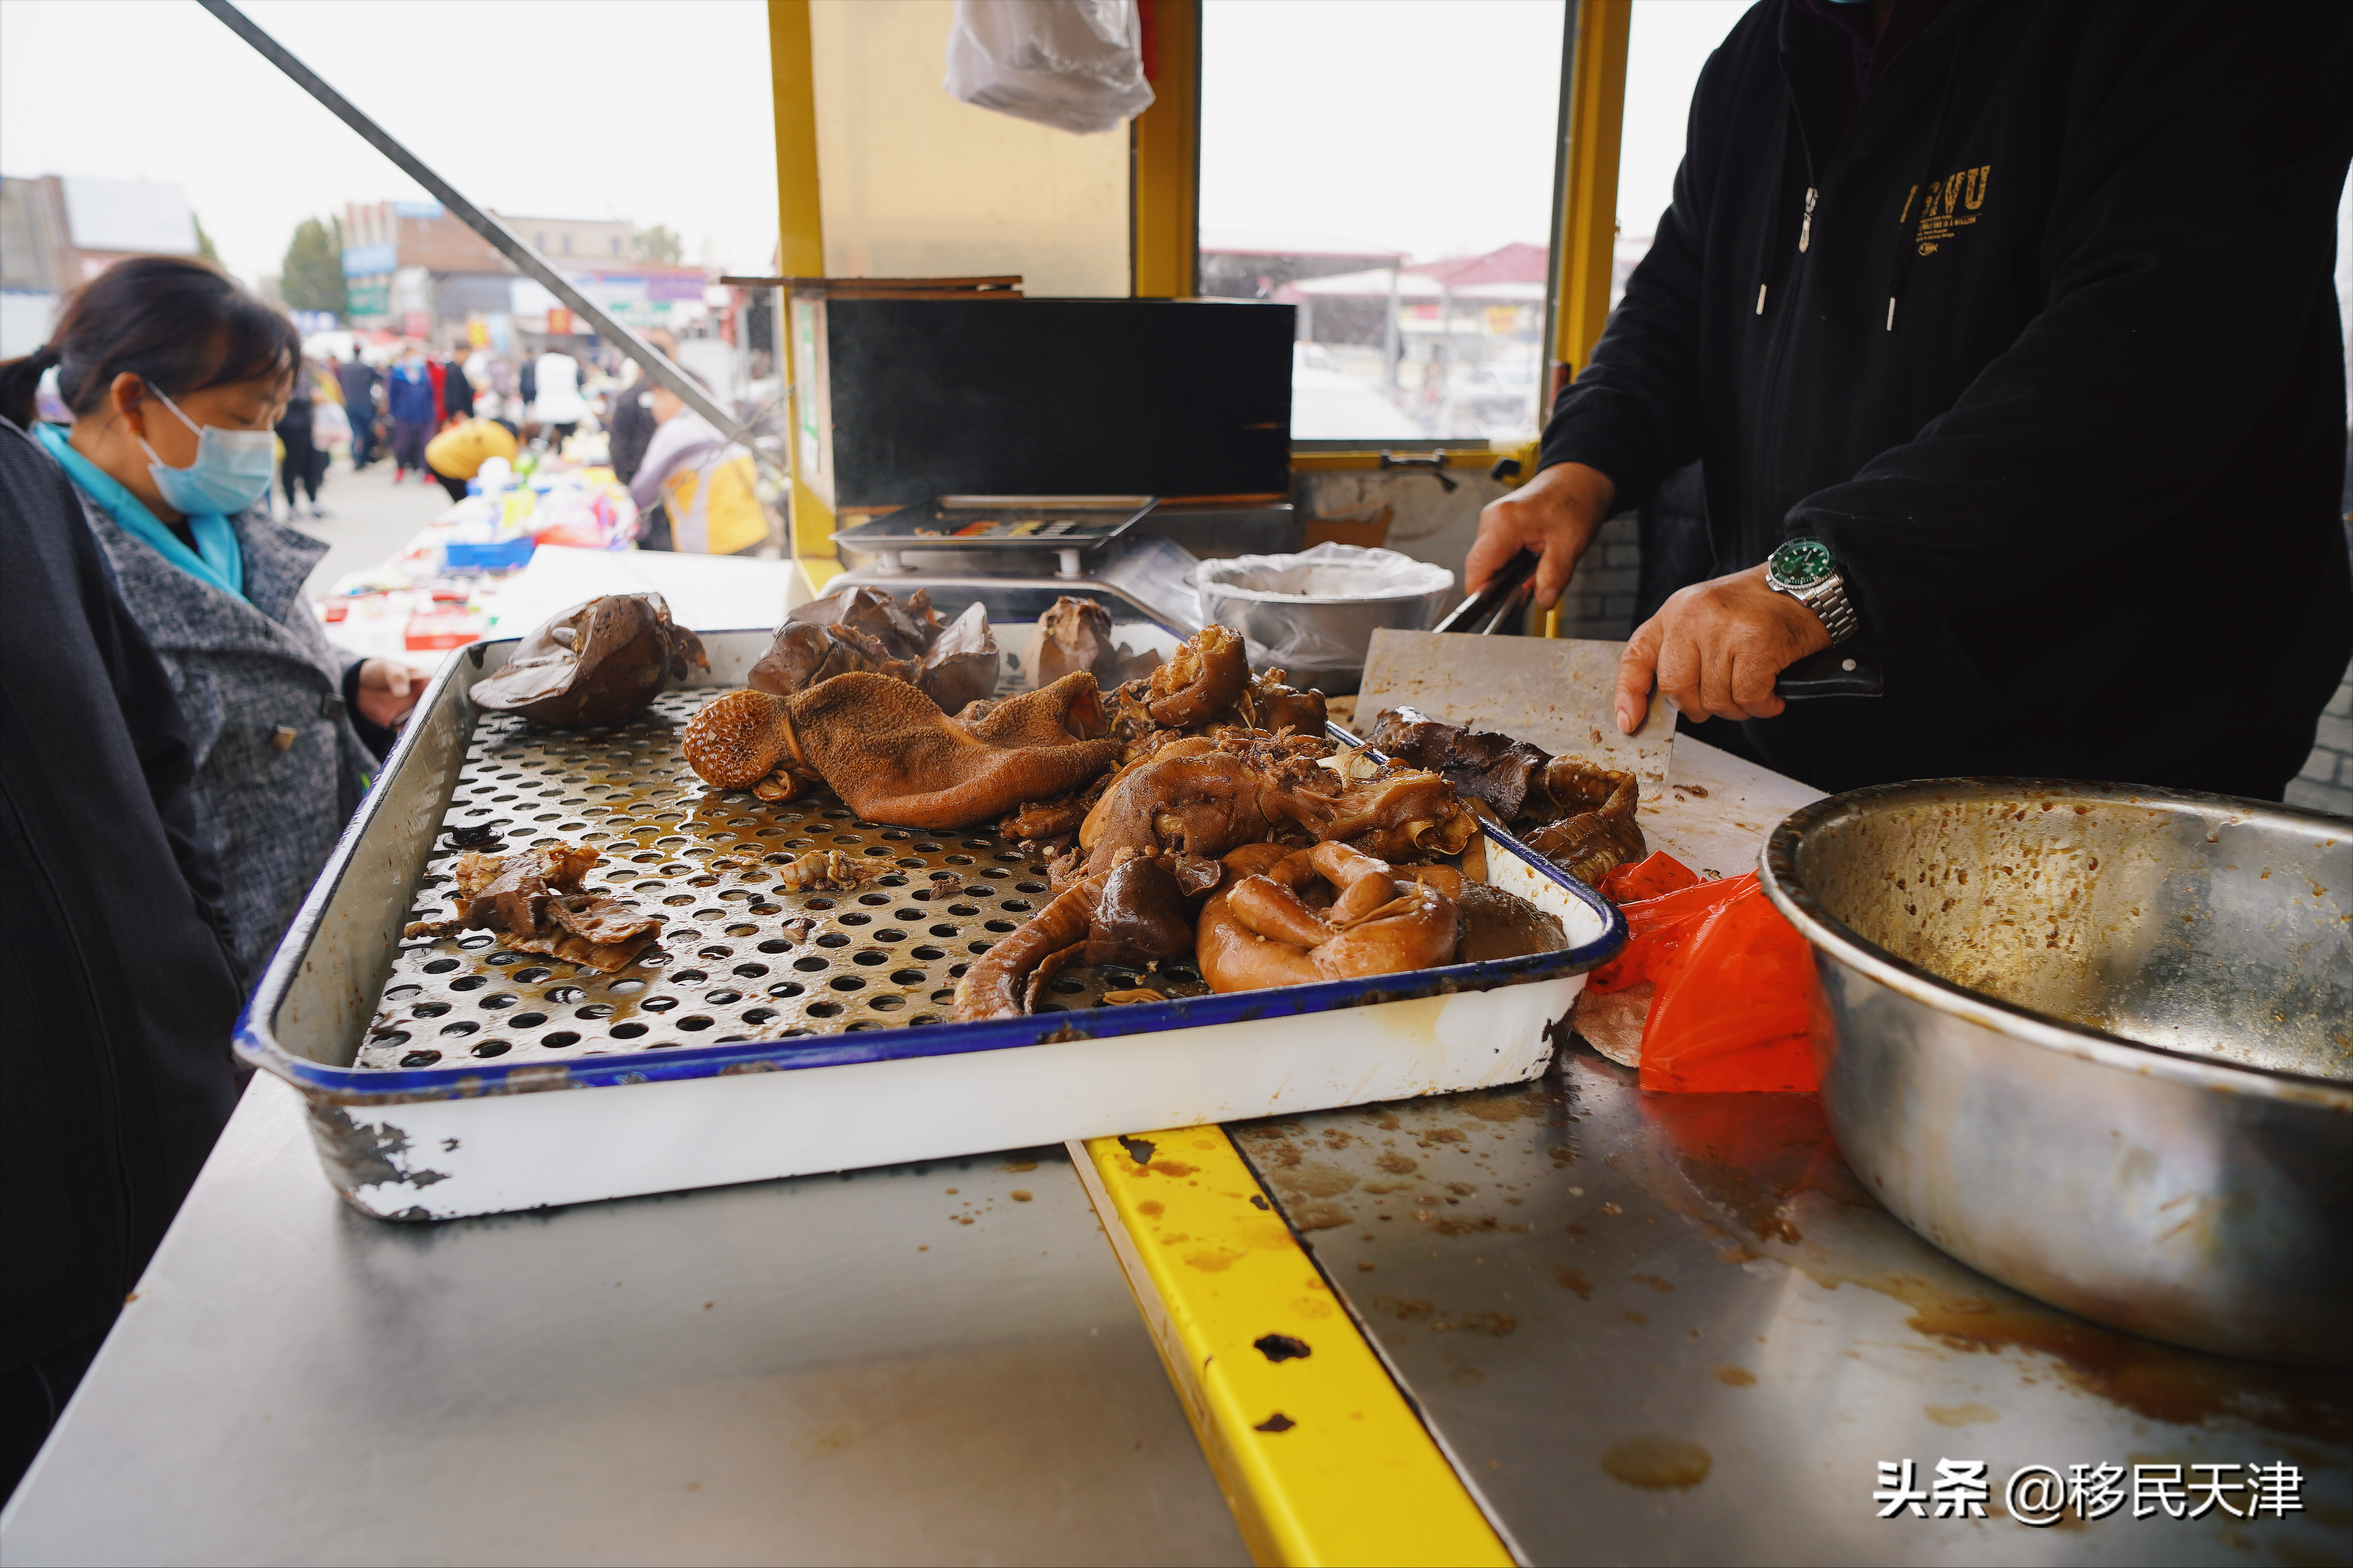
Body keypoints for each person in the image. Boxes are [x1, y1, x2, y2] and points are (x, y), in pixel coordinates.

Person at [1466, 0, 2353, 801]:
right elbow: (1678, 297)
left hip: (2102, 761)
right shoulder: (1763, 49)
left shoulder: (2219, 27)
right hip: (1802, 737)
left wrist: (1814, 575)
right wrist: (1577, 466)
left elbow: (2160, 348)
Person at [2, 256, 427, 979]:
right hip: (218, 958)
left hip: (332, 892)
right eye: (240, 418)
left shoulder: (215, 509)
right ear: (133, 399)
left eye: (270, 416)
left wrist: (346, 678)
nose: (262, 442)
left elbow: (255, 643)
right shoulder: (44, 560)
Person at [0, 406, 246, 1500]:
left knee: (207, 1472)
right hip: (23, 1259)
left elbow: (149, 746)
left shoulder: (14, 476)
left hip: (173, 1121)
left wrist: (198, 953)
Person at [629, 375, 769, 556]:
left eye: (658, 397)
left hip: (712, 543)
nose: (655, 408)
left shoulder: (675, 431)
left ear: (675, 394)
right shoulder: (721, 416)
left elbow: (640, 492)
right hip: (752, 530)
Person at [606, 327, 677, 484]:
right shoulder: (681, 396)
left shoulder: (628, 398)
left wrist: (627, 479)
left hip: (639, 481)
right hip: (676, 480)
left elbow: (617, 447)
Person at [273, 357, 327, 521]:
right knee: (292, 464)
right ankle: (292, 505)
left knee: (310, 463)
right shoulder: (282, 368)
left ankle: (313, 502)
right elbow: (287, 396)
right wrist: (310, 398)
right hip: (290, 425)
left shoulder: (304, 367)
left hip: (305, 423)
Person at [423, 415, 520, 502]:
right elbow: (509, 475)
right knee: (469, 502)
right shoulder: (505, 440)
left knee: (469, 500)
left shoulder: (485, 424)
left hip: (434, 450)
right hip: (446, 463)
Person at [385, 345, 435, 482]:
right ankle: (401, 468)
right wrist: (394, 413)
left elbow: (431, 394)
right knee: (403, 444)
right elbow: (392, 396)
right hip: (404, 415)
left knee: (425, 444)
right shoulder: (397, 374)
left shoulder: (424, 374)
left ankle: (426, 472)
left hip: (425, 415)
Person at [530, 338, 587, 448]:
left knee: (549, 440)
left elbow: (535, 385)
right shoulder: (570, 362)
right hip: (570, 407)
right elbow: (579, 382)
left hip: (547, 407)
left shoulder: (542, 362)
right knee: (570, 441)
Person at [335, 343, 380, 469]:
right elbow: (379, 379)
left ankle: (355, 457)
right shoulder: (365, 368)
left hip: (350, 404)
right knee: (365, 434)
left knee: (355, 433)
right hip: (364, 405)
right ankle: (361, 459)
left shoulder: (345, 368)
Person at [440, 344, 477, 424]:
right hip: (459, 412)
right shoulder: (453, 370)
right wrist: (457, 410)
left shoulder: (456, 368)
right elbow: (454, 392)